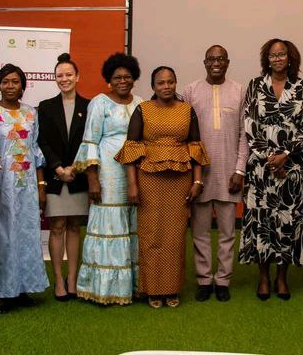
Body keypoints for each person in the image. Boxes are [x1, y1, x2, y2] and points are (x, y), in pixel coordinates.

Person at [115, 66, 209, 308]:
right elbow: (132, 148)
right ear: (153, 86)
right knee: (151, 234)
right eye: (161, 83)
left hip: (180, 180)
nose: (166, 86)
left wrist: (197, 181)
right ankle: (152, 289)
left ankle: (171, 288)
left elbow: (195, 146)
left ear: (176, 83)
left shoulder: (186, 110)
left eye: (170, 82)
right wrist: (132, 184)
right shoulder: (143, 109)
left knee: (175, 236)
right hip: (149, 179)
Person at [239, 39, 303, 301]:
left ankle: (282, 277)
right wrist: (270, 158)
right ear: (266, 59)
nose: (277, 59)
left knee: (288, 220)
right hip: (262, 168)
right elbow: (250, 124)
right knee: (262, 220)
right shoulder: (255, 85)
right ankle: (263, 276)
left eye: (282, 54)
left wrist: (285, 156)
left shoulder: (302, 87)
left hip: (293, 167)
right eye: (272, 55)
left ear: (290, 58)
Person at [73, 53, 143, 305]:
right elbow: (90, 141)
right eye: (117, 77)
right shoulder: (99, 103)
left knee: (131, 222)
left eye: (127, 77)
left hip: (135, 171)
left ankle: (132, 286)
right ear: (109, 80)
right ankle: (103, 289)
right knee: (109, 224)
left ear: (134, 79)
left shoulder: (141, 103)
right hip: (108, 172)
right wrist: (93, 179)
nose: (123, 81)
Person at [182, 45, 248, 302]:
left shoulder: (240, 91)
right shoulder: (190, 91)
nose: (216, 63)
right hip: (199, 175)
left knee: (227, 233)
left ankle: (222, 280)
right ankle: (203, 279)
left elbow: (244, 134)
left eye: (221, 59)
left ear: (228, 62)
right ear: (205, 62)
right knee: (199, 232)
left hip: (229, 175)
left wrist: (239, 170)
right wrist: (192, 175)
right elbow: (185, 135)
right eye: (211, 59)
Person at [0, 64, 49, 313]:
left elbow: (35, 150)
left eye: (15, 81)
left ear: (22, 86)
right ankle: (1, 293)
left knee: (26, 237)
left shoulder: (31, 113)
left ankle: (22, 289)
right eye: (5, 81)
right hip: (0, 185)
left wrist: (41, 186)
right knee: (2, 238)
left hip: (27, 185)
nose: (10, 86)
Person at [37, 53, 90, 301]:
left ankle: (72, 279)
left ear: (77, 77)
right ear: (55, 78)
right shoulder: (46, 107)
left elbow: (90, 140)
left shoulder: (89, 106)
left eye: (69, 74)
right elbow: (42, 142)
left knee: (74, 227)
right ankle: (58, 279)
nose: (64, 79)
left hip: (79, 175)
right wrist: (58, 168)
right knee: (57, 226)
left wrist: (76, 168)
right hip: (55, 176)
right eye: (60, 75)